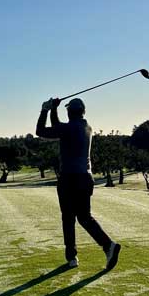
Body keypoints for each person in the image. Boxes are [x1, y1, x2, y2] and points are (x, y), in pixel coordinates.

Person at [36, 97, 121, 270]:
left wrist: (46, 109)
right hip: (85, 177)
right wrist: (53, 109)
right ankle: (108, 245)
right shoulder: (86, 127)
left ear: (68, 112)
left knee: (68, 218)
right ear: (83, 112)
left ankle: (72, 257)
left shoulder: (68, 128)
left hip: (69, 178)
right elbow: (57, 126)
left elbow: (41, 130)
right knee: (84, 217)